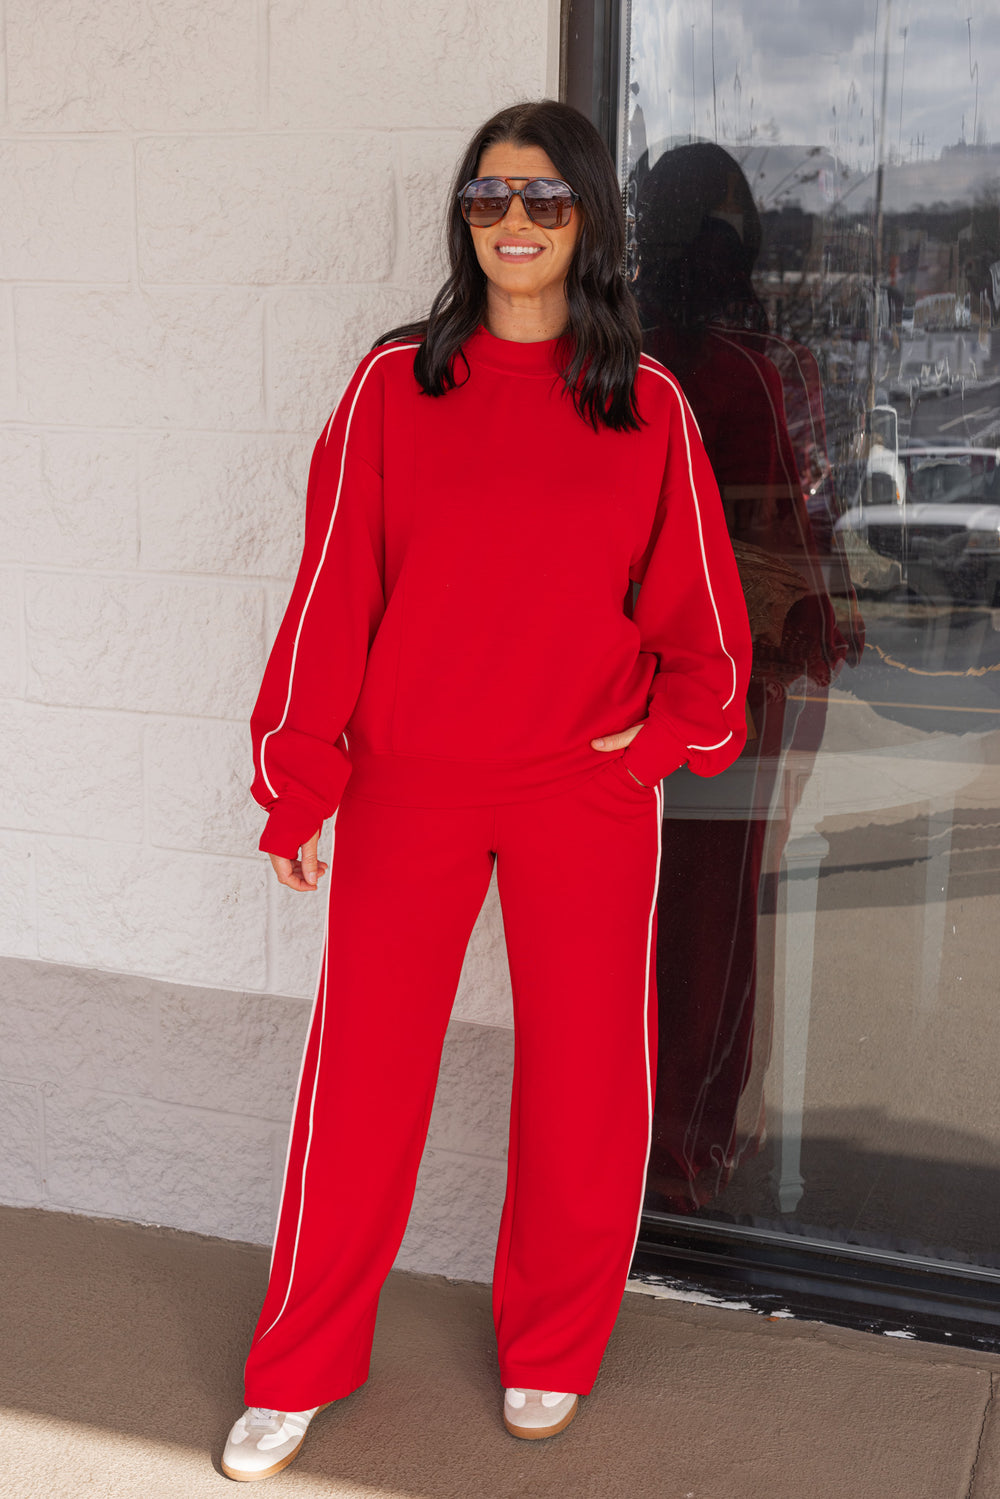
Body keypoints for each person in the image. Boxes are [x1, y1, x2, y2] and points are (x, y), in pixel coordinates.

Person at [221, 100, 751, 1482]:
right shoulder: (394, 388)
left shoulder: (646, 402)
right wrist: (300, 777)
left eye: (545, 200)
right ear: (464, 219)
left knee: (586, 1081)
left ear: (590, 222)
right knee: (360, 1085)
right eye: (488, 197)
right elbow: (335, 588)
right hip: (412, 788)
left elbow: (702, 619)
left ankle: (553, 1344)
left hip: (582, 791)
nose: (514, 222)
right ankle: (298, 1364)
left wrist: (656, 747)